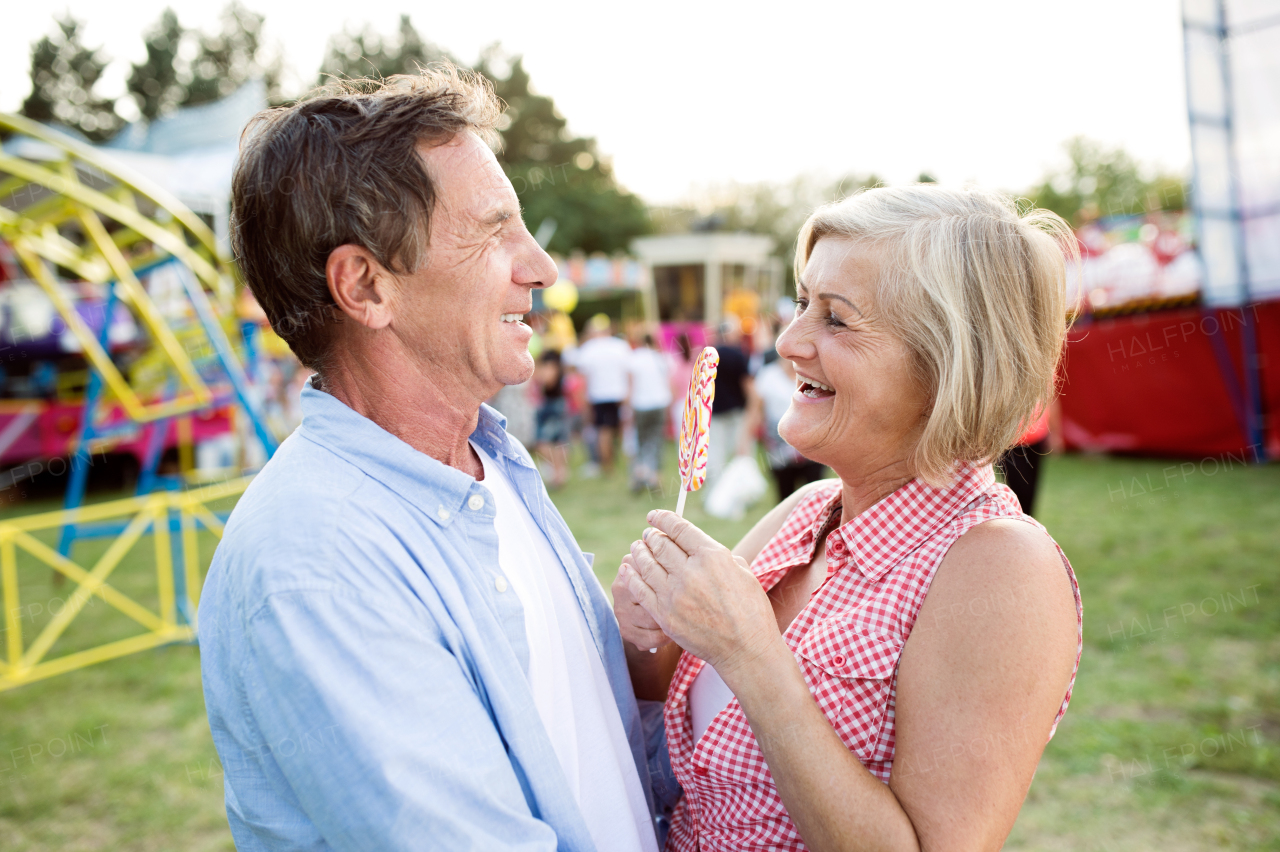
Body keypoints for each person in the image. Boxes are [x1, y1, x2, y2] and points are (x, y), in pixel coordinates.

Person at [198, 67, 664, 852]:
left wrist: (645, 650)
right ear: (367, 286)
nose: (544, 269)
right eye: (493, 232)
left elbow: (568, 736)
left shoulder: (490, 460)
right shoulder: (319, 559)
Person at [615, 185, 1083, 851]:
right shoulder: (804, 513)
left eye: (835, 319)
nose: (788, 341)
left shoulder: (1001, 570)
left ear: (946, 361)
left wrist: (752, 654)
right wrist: (644, 629)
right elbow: (659, 695)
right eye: (803, 302)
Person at [753, 354, 828, 498]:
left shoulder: (815, 373)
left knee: (815, 493)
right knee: (785, 493)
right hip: (779, 447)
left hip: (812, 445)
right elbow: (756, 410)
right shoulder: (768, 375)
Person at [568, 314, 632, 476]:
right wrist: (629, 393)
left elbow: (582, 378)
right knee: (619, 429)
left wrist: (583, 400)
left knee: (604, 431)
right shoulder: (621, 346)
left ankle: (607, 465)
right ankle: (617, 461)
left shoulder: (588, 348)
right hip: (619, 394)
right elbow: (628, 373)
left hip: (598, 396)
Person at [704, 317, 757, 491]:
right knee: (741, 451)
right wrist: (753, 408)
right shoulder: (738, 354)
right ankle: (741, 489)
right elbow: (747, 385)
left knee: (714, 453)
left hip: (714, 411)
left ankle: (715, 490)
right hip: (736, 411)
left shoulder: (708, 356)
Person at [627, 332, 672, 493]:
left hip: (640, 404)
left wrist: (627, 407)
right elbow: (667, 382)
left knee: (640, 441)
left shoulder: (634, 358)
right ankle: (654, 477)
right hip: (659, 403)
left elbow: (630, 384)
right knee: (656, 440)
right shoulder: (660, 358)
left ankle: (639, 474)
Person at [533, 349, 570, 488]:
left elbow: (547, 381)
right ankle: (559, 474)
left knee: (546, 442)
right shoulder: (560, 369)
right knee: (556, 443)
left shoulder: (552, 368)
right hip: (552, 407)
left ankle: (558, 473)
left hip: (553, 408)